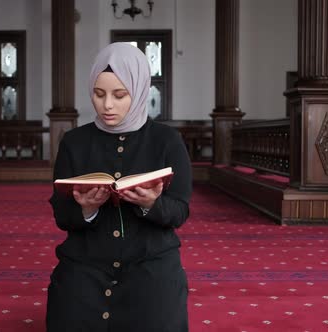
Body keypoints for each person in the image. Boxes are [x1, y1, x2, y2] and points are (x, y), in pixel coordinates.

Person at [46, 42, 192, 332]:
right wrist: (86, 209)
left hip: (151, 260)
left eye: (119, 94)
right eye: (99, 95)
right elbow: (62, 215)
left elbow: (180, 212)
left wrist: (152, 203)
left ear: (139, 91)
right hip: (86, 260)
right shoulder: (74, 142)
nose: (107, 105)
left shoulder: (166, 140)